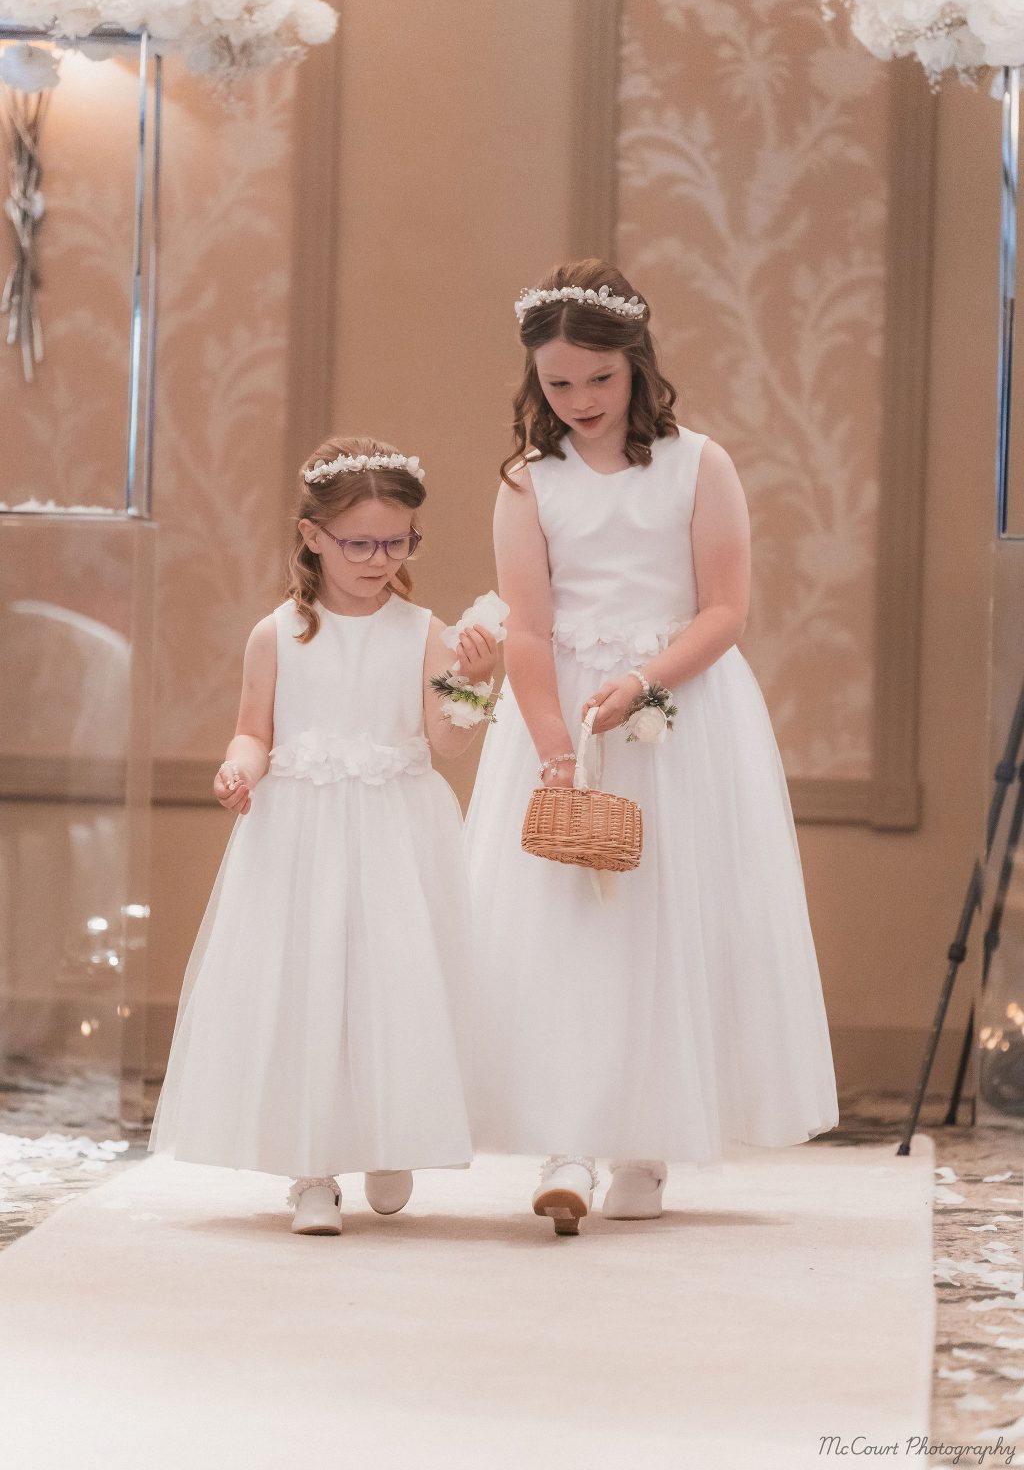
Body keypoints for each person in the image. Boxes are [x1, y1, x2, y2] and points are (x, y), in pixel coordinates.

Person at [461, 259, 839, 1235]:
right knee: (563, 926)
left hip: (677, 713)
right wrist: (552, 744)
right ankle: (564, 1142)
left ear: (636, 365)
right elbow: (530, 629)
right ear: (533, 383)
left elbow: (724, 608)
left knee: (662, 924)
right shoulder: (526, 484)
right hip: (563, 723)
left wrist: (644, 681)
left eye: (599, 379)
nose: (580, 401)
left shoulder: (697, 465)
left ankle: (646, 1146)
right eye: (559, 385)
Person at [149, 438, 498, 1235]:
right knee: (305, 986)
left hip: (394, 832)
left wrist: (474, 684)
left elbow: (445, 744)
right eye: (360, 543)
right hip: (300, 831)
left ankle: (391, 1131)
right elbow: (252, 732)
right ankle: (310, 1170)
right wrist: (238, 772)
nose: (380, 559)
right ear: (313, 536)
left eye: (397, 541)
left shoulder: (425, 632)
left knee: (393, 984)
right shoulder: (278, 633)